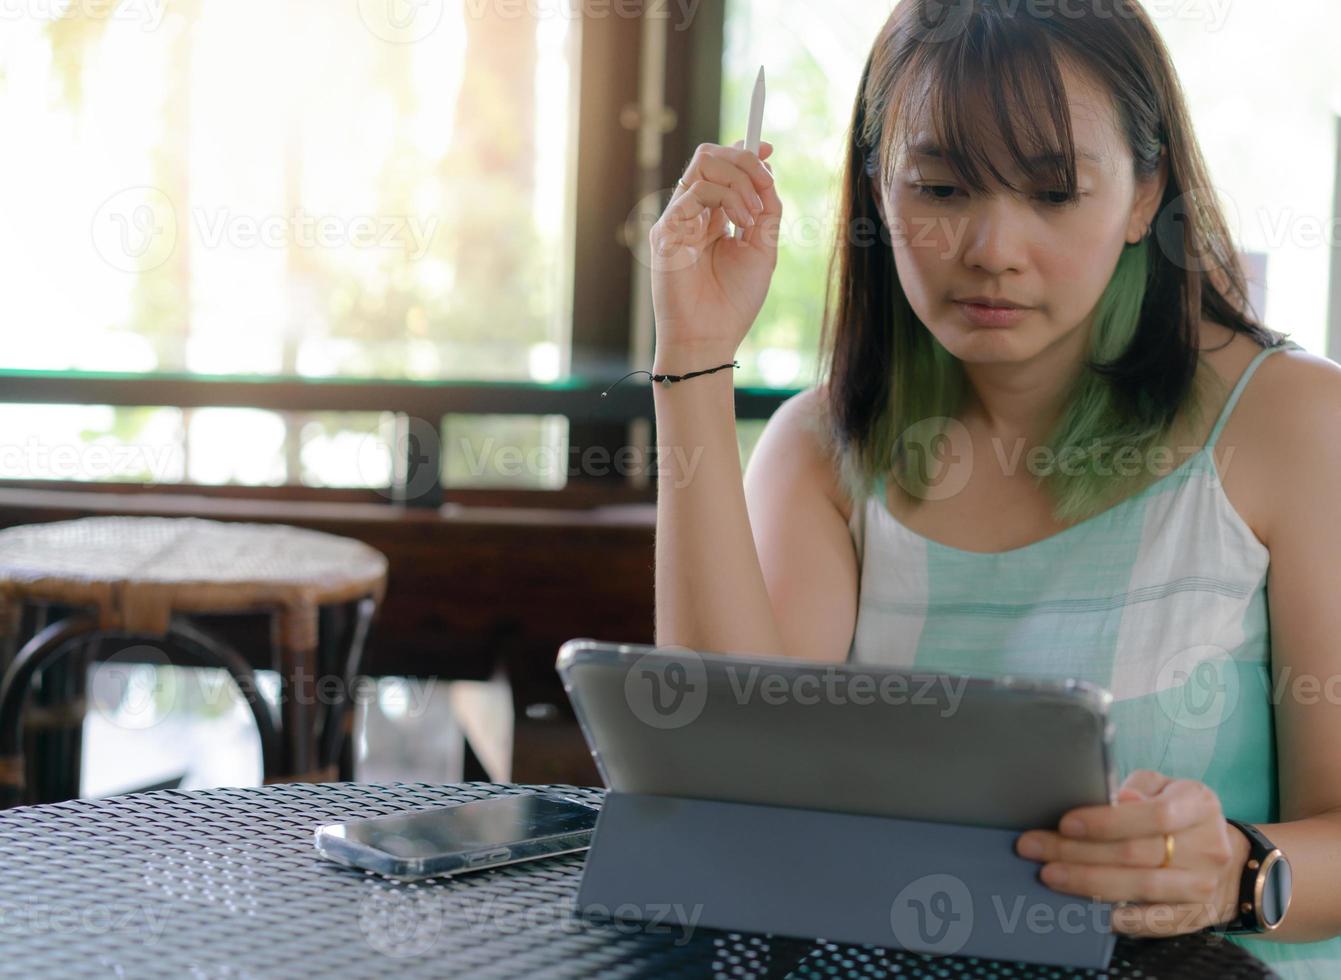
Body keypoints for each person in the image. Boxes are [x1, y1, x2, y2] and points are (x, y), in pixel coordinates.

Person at [647, 1, 1341, 975]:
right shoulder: (821, 449)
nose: (992, 248)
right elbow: (725, 794)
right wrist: (692, 355)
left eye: (1054, 191)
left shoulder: (1297, 424)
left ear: (1146, 194)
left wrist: (1236, 868)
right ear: (877, 192)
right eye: (940, 185)